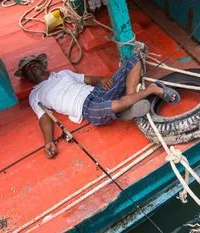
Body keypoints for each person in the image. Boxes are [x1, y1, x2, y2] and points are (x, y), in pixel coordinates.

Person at [15, 53, 179, 159]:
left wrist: (101, 80)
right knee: (110, 107)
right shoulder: (35, 94)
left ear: (44, 65)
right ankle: (150, 90)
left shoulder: (64, 73)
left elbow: (87, 79)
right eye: (28, 68)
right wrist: (48, 141)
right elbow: (44, 117)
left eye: (34, 63)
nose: (32, 66)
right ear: (28, 78)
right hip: (86, 108)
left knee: (134, 60)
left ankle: (129, 103)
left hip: (98, 91)